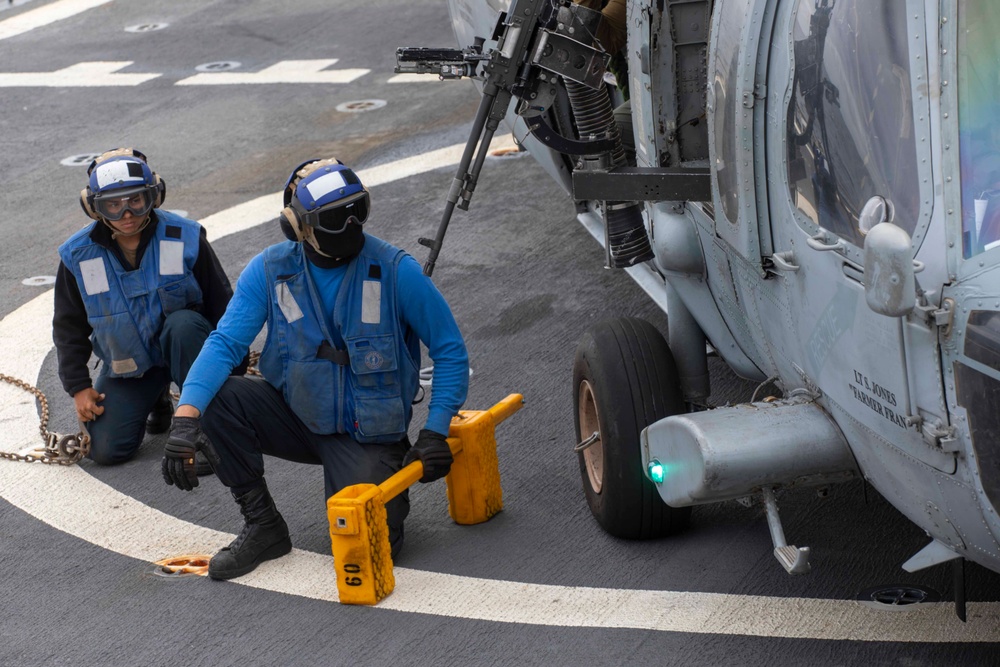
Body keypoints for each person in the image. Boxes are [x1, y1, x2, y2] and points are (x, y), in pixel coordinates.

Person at [162, 157, 470, 580]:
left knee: (371, 540)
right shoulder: (269, 271)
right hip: (296, 416)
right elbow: (224, 344)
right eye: (333, 219)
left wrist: (434, 430)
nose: (350, 229)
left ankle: (372, 479)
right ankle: (263, 525)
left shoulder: (398, 272)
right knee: (220, 398)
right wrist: (185, 419)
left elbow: (450, 351)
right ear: (299, 227)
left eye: (356, 212)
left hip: (367, 434)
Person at [53, 148, 237, 470]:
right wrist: (79, 387)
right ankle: (156, 398)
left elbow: (223, 304)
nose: (126, 213)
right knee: (106, 449)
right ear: (93, 207)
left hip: (191, 356)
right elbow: (68, 327)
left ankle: (209, 426)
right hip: (131, 367)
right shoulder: (78, 257)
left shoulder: (185, 236)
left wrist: (234, 379)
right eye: (113, 204)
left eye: (135, 200)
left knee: (183, 325)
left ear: (154, 195)